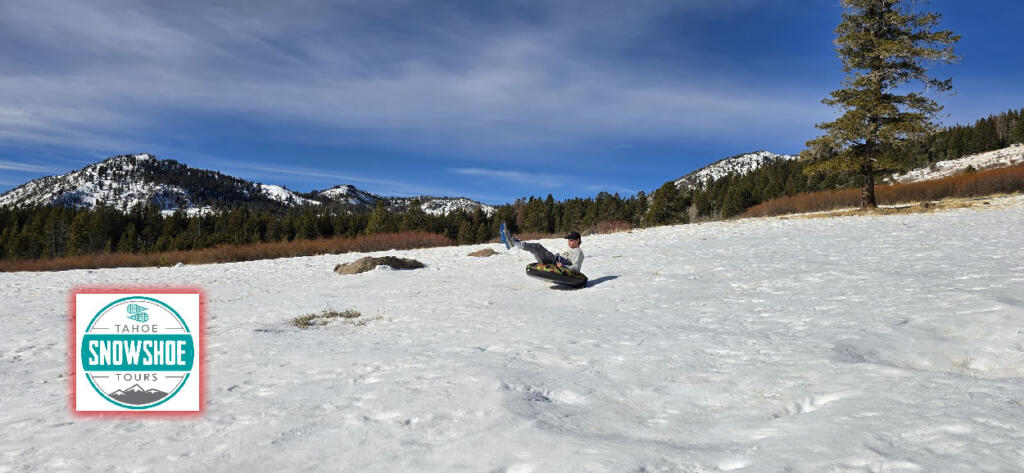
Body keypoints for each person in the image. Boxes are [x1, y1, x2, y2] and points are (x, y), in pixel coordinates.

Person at [503, 227, 584, 272]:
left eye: (571, 240)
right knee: (535, 249)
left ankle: (514, 243)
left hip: (554, 262)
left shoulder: (578, 251)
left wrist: (563, 266)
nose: (568, 242)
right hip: (553, 261)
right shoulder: (569, 250)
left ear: (577, 240)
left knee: (537, 247)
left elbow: (576, 268)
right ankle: (514, 241)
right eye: (568, 240)